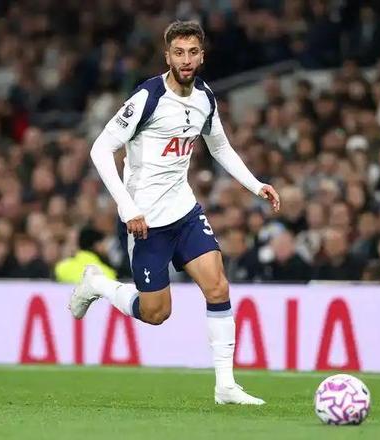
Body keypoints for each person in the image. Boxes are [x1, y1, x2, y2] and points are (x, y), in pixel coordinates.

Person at [70, 21, 280, 405]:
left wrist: (255, 185)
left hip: (184, 212)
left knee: (218, 286)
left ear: (202, 56)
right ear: (167, 56)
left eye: (193, 52)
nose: (186, 60)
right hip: (146, 221)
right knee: (156, 313)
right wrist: (127, 206)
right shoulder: (147, 98)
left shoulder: (205, 98)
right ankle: (98, 285)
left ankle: (225, 386)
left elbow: (220, 147)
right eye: (179, 53)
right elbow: (100, 149)